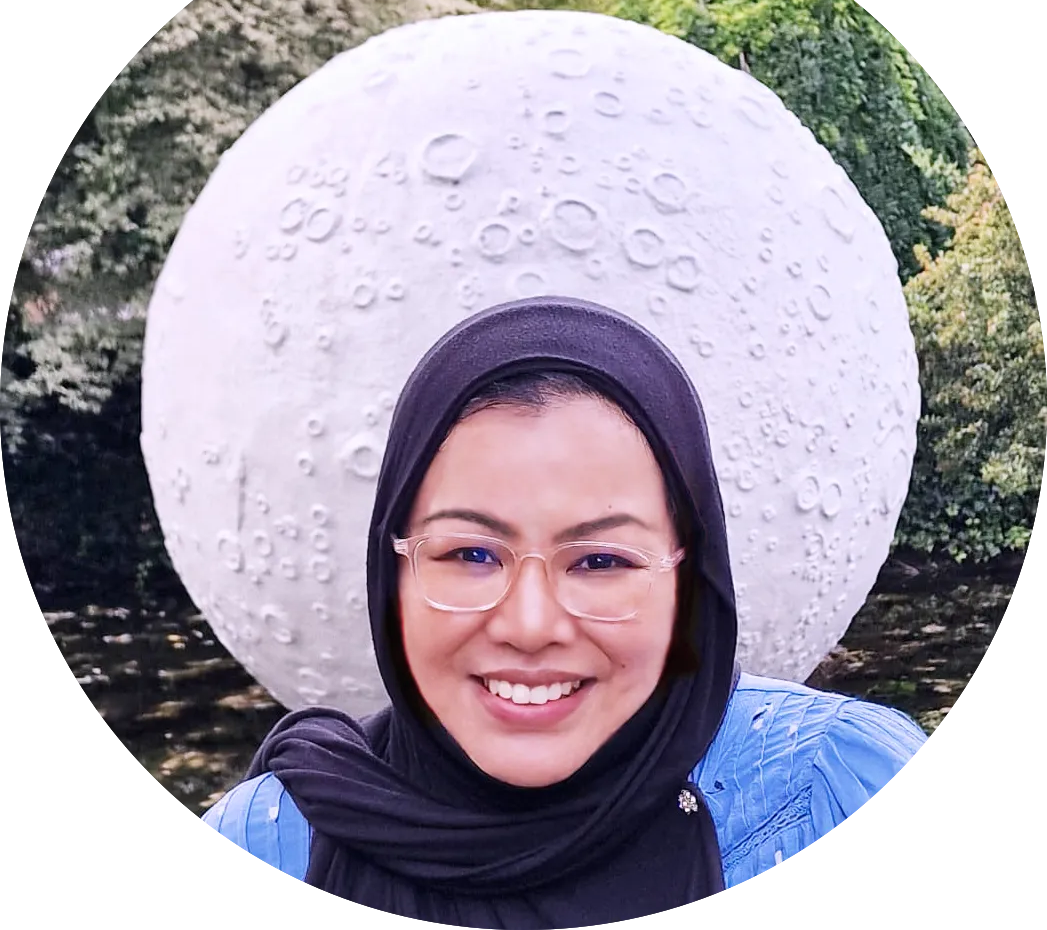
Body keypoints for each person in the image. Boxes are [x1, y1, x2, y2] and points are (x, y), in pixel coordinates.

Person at [200, 295, 928, 926]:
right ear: (392, 571)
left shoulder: (839, 786)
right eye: (470, 553)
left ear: (689, 579)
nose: (529, 625)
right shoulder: (272, 838)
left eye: (602, 562)